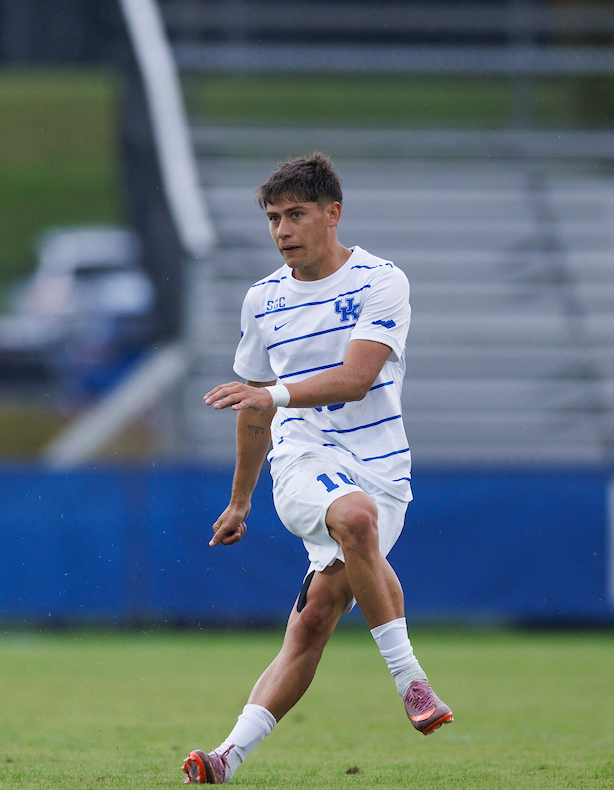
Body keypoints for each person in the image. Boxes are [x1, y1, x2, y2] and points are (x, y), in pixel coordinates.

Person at [182, 154, 452, 785]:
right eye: (274, 218)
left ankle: (225, 757)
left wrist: (271, 394)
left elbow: (357, 380)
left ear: (332, 214)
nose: (282, 230)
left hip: (383, 468)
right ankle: (412, 681)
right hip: (303, 458)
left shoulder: (383, 282)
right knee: (353, 518)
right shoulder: (262, 300)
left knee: (313, 620)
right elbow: (254, 414)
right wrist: (242, 499)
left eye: (295, 215)